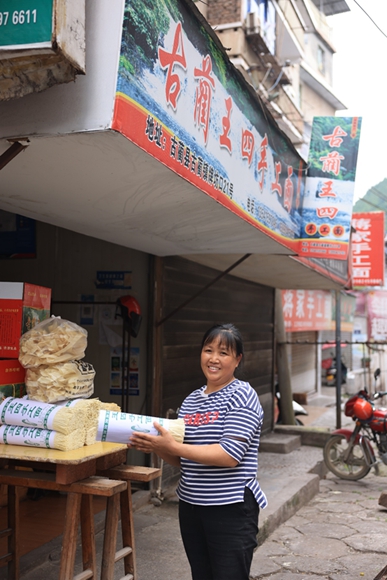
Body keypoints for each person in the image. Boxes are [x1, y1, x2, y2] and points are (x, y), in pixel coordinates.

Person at [129, 323, 267, 580]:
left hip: (230, 507)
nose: (214, 358)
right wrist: (156, 447)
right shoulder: (191, 401)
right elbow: (183, 460)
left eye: (224, 353)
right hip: (191, 506)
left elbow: (229, 455)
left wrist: (173, 446)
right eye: (208, 350)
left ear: (237, 360)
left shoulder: (242, 395)